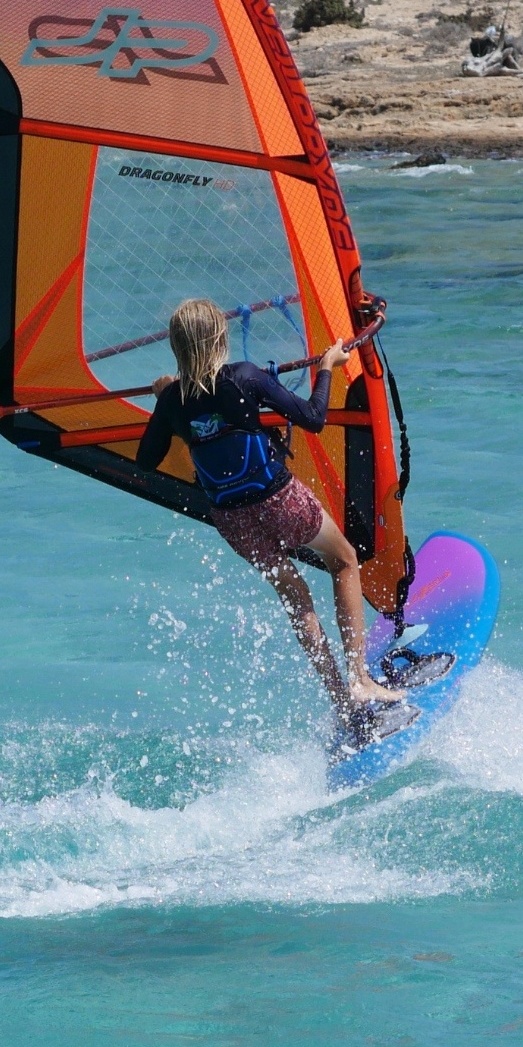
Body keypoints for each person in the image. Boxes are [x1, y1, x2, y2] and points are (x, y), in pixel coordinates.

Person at [135, 297, 406, 727]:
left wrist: (164, 400)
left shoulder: (172, 400)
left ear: (176, 347)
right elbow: (313, 418)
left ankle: (340, 701)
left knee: (294, 595)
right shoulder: (244, 377)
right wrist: (327, 367)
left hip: (232, 519)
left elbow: (146, 461)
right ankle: (358, 679)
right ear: (220, 338)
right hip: (280, 501)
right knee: (343, 560)